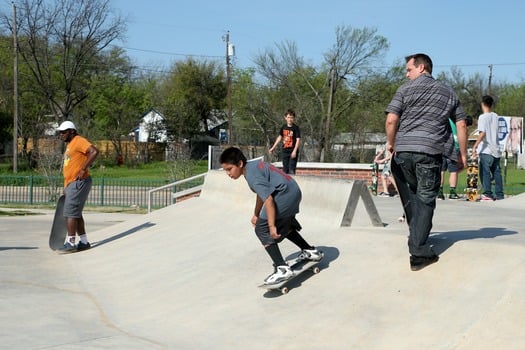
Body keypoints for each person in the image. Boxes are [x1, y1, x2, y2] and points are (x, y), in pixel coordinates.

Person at [385, 53, 468, 271]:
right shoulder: (448, 92)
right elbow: (461, 125)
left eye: (409, 69)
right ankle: (418, 252)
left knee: (414, 195)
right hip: (429, 153)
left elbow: (391, 119)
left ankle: (417, 235)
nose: (406, 73)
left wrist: (391, 144)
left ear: (422, 67)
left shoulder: (404, 89)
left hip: (403, 153)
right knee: (425, 199)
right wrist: (463, 154)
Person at [219, 146, 322, 285]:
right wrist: (256, 214)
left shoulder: (251, 175)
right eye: (225, 170)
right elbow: (262, 194)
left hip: (284, 196)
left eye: (229, 169)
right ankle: (310, 251)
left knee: (262, 229)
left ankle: (282, 268)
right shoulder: (254, 165)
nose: (228, 174)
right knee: (284, 224)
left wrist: (271, 226)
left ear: (240, 164)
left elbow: (268, 199)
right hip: (294, 191)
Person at [57, 121, 99, 252]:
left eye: (64, 132)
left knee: (70, 213)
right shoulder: (70, 145)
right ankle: (84, 242)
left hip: (79, 182)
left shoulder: (79, 140)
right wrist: (66, 187)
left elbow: (94, 151)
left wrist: (83, 169)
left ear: (72, 131)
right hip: (72, 184)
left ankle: (70, 243)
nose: (61, 135)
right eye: (60, 133)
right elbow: (69, 168)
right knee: (76, 213)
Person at [471, 95, 504, 201]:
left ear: (482, 104)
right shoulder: (496, 116)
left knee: (484, 172)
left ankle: (488, 194)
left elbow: (482, 133)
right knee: (496, 172)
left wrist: (475, 145)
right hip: (496, 149)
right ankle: (499, 194)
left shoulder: (482, 117)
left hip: (486, 149)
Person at [269, 109, 301, 174]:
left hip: (292, 151)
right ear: (285, 118)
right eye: (288, 117)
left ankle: (291, 183)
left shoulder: (296, 128)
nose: (290, 119)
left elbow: (298, 140)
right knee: (285, 170)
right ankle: (286, 184)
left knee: (291, 170)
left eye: (292, 117)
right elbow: (280, 137)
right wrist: (273, 147)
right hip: (285, 151)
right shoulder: (283, 127)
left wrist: (294, 151)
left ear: (294, 118)